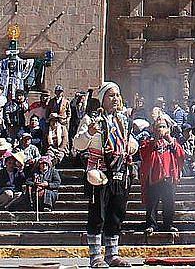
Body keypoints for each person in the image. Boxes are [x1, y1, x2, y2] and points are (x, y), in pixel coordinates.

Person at [73, 82, 138, 268]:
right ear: (102, 99)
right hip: (99, 171)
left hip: (119, 171)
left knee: (116, 213)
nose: (115, 99)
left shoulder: (124, 121)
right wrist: (90, 132)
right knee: (98, 214)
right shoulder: (91, 119)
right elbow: (78, 144)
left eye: (117, 95)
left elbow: (128, 141)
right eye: (111, 95)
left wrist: (131, 145)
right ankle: (95, 255)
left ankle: (112, 254)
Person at [139, 119, 185, 234]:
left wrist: (169, 138)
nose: (161, 129)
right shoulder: (149, 142)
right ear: (154, 129)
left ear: (168, 129)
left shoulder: (172, 142)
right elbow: (144, 154)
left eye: (163, 126)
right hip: (154, 177)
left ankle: (168, 224)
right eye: (159, 127)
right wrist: (155, 140)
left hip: (168, 177)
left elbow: (181, 155)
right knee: (152, 203)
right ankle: (151, 225)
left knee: (169, 202)